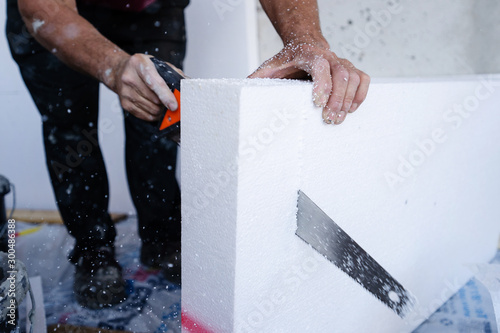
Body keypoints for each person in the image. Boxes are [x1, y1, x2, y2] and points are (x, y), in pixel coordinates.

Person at [6, 0, 370, 310]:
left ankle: (162, 239)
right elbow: (42, 6)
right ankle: (93, 250)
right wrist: (115, 69)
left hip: (150, 8)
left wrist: (305, 40)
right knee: (70, 128)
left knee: (162, 111)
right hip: (56, 11)